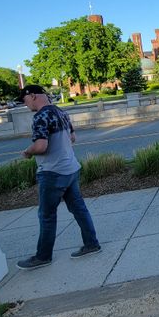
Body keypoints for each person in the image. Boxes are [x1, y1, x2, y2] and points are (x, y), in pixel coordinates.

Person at [16, 85, 101, 270]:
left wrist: (28, 152)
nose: (25, 104)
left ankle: (43, 256)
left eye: (24, 100)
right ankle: (91, 244)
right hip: (70, 168)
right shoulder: (61, 112)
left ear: (32, 96)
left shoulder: (40, 116)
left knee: (46, 215)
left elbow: (41, 146)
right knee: (79, 209)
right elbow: (72, 137)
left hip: (52, 172)